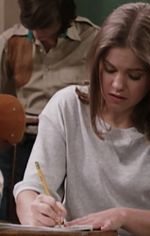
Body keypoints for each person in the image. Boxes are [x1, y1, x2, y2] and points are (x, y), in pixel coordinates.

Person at [14, 2, 150, 236]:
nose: (117, 85)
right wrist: (33, 210)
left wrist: (123, 217)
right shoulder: (67, 107)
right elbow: (30, 190)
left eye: (134, 75)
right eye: (109, 69)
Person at [0, 0, 99, 221]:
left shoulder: (93, 40)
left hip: (75, 140)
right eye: (32, 27)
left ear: (64, 18)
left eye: (44, 26)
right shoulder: (11, 42)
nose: (37, 34)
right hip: (24, 139)